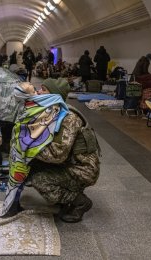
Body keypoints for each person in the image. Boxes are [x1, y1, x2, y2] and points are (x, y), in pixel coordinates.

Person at [28, 78, 100, 223]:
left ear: (55, 95)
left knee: (38, 180)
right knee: (33, 167)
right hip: (72, 163)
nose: (39, 92)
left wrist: (30, 149)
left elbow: (58, 155)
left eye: (44, 89)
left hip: (82, 169)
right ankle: (67, 195)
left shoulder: (68, 118)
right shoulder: (56, 111)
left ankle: (79, 201)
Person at [0, 80, 69, 218]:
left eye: (43, 89)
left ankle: (13, 204)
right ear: (28, 94)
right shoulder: (45, 103)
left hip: (20, 145)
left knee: (17, 177)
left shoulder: (43, 103)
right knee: (18, 177)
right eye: (36, 88)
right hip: (22, 145)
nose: (39, 91)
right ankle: (12, 206)